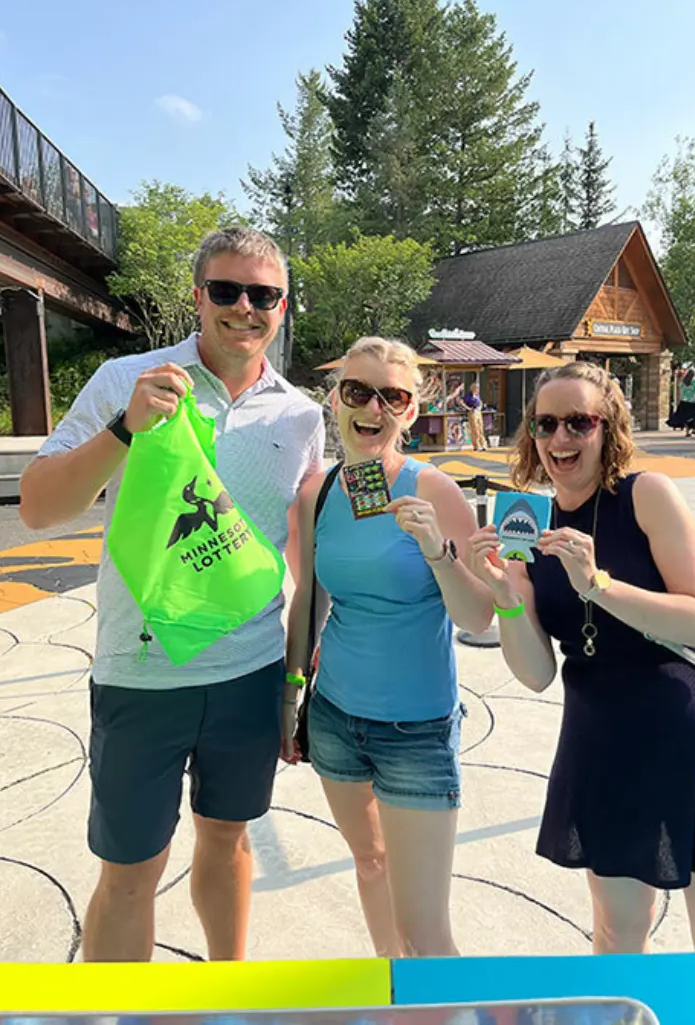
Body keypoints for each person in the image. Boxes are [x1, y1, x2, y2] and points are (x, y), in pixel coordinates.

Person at [19, 227, 325, 962]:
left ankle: (230, 996)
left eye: (264, 294)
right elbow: (37, 507)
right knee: (130, 873)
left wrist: (293, 682)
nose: (245, 307)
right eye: (226, 290)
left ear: (283, 307)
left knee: (227, 843)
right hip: (140, 673)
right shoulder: (128, 378)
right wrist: (125, 428)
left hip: (248, 675)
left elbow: (305, 561)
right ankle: (117, 1015)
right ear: (198, 296)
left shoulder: (301, 414)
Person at [466, 361, 695, 954]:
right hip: (605, 742)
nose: (560, 439)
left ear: (608, 428)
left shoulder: (645, 494)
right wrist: (506, 599)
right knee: (616, 935)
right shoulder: (530, 527)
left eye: (579, 422)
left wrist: (598, 583)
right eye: (545, 423)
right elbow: (534, 674)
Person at [283, 337, 494, 957]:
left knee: (427, 931)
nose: (372, 407)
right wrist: (290, 694)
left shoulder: (435, 490)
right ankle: (389, 996)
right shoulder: (317, 493)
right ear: (335, 399)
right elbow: (310, 600)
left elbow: (478, 615)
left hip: (417, 728)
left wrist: (437, 550)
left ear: (410, 410)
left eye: (392, 396)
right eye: (358, 391)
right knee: (370, 865)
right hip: (336, 720)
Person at [668, 365, 695, 436]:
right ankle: (694, 429)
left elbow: (680, 392)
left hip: (684, 402)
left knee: (687, 417)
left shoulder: (683, 382)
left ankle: (688, 431)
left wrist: (678, 401)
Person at [461, 380, 489, 451]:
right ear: (473, 388)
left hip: (478, 412)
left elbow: (480, 402)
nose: (477, 389)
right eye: (476, 388)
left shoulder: (477, 396)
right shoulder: (469, 396)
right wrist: (468, 408)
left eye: (478, 388)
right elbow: (461, 402)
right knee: (475, 429)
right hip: (472, 412)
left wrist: (481, 406)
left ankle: (483, 445)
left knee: (480, 429)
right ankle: (476, 445)